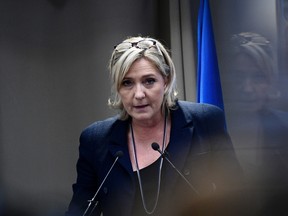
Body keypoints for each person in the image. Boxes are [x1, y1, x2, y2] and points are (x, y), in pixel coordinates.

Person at [65, 36, 243, 216]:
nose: (139, 94)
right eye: (127, 83)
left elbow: (236, 199)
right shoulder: (95, 139)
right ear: (118, 88)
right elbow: (80, 209)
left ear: (166, 81)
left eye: (149, 81)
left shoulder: (205, 121)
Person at [222, 32, 288, 214]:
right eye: (238, 77)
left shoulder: (284, 127)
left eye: (258, 77)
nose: (247, 88)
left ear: (270, 81)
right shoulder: (207, 129)